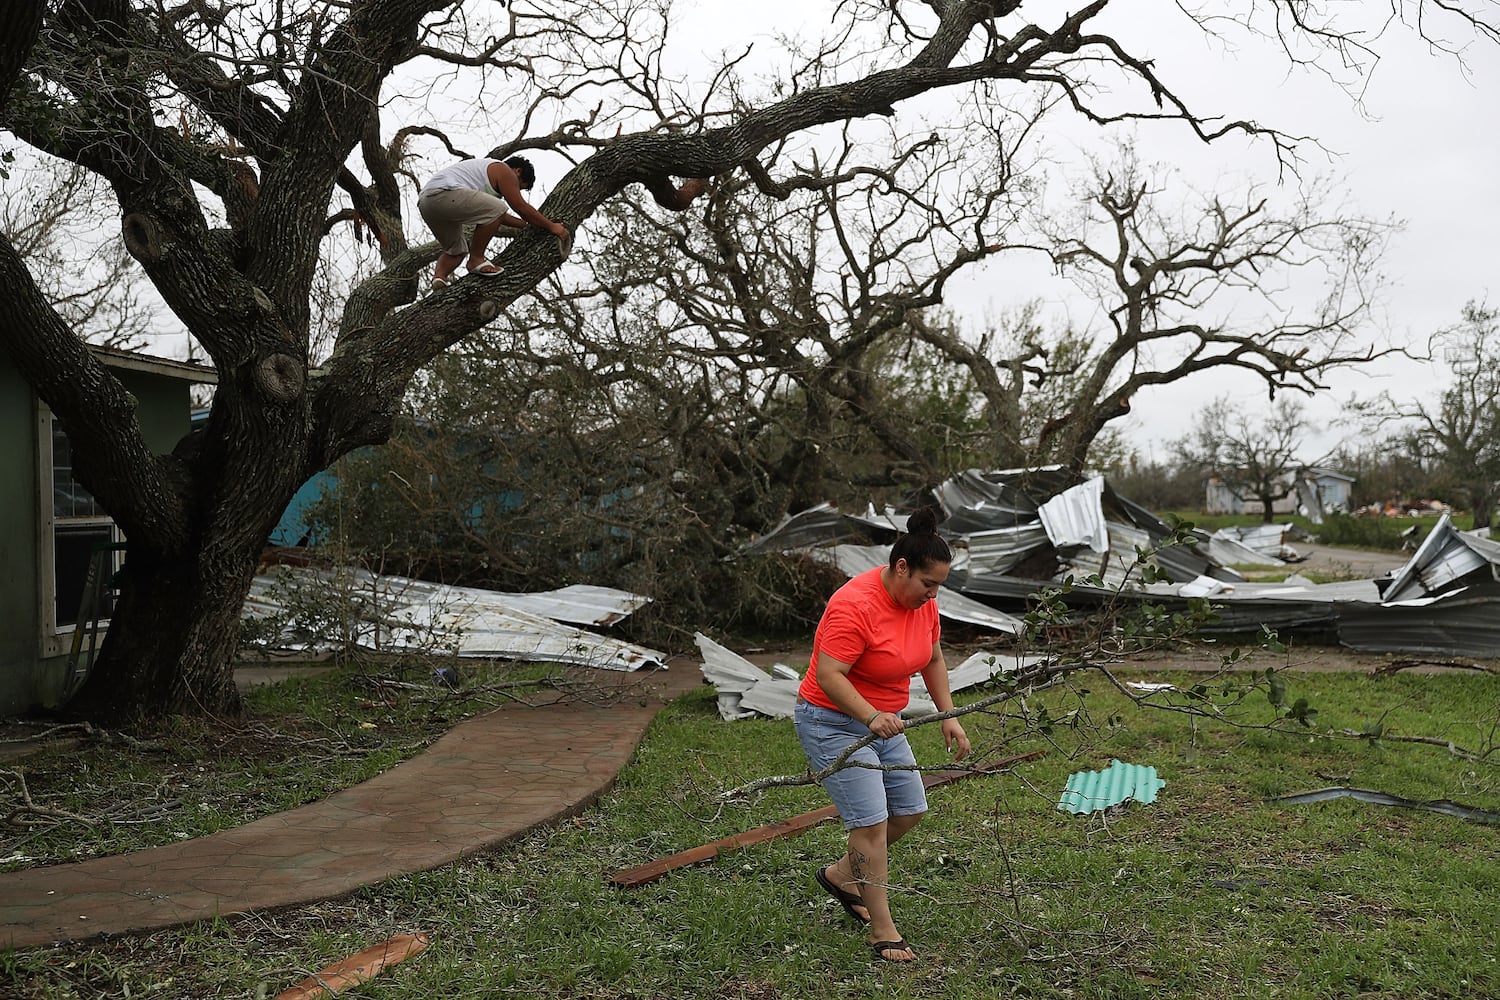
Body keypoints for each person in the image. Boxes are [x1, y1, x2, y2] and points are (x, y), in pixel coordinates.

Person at [793, 505, 971, 964]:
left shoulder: (923, 606)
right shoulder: (855, 605)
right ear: (901, 567)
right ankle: (881, 929)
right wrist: (870, 717)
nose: (933, 596)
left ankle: (841, 875)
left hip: (882, 720)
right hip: (831, 720)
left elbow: (932, 659)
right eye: (928, 584)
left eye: (939, 587)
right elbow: (830, 675)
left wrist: (948, 714)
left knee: (910, 810)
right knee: (869, 826)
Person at [417, 155, 569, 288]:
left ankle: (439, 277)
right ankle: (476, 259)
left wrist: (527, 225)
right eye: (519, 187)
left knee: (456, 250)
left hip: (427, 203)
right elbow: (519, 207)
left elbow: (498, 216)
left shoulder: (484, 178)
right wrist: (552, 226)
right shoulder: (504, 170)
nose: (515, 190)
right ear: (518, 171)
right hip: (444, 193)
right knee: (498, 207)